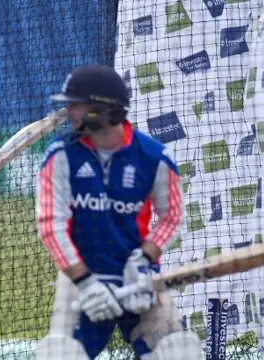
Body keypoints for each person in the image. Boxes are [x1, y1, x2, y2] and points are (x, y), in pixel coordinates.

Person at [34, 64, 203, 360]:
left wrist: (145, 259)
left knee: (177, 352)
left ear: (103, 109)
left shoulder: (155, 157)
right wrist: (84, 281)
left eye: (76, 106)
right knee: (60, 353)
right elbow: (50, 226)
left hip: (137, 276)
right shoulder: (59, 155)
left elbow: (172, 217)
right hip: (80, 276)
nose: (68, 114)